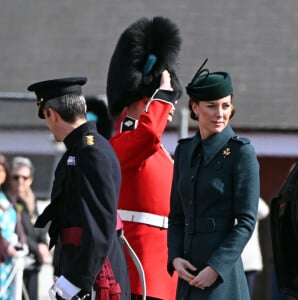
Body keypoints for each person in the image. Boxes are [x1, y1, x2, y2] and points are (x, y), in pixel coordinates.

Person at [27, 77, 130, 300]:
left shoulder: (89, 152)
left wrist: (78, 280)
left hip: (97, 275)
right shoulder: (83, 149)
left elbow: (99, 223)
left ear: (52, 114)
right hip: (89, 270)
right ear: (82, 108)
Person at [167, 59, 260, 300]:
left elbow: (246, 221)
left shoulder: (241, 153)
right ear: (195, 108)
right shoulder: (184, 151)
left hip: (221, 279)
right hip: (187, 275)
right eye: (212, 106)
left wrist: (216, 268)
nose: (220, 114)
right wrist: (175, 257)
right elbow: (177, 215)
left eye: (226, 106)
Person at [107, 16, 182, 300]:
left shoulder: (159, 150)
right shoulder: (125, 143)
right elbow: (148, 133)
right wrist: (162, 94)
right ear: (144, 100)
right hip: (138, 266)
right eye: (166, 100)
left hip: (164, 268)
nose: (172, 108)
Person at [7, 156, 51, 300]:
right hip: (14, 264)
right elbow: (16, 232)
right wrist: (36, 247)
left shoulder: (32, 200)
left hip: (32, 265)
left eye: (24, 177)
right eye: (16, 177)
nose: (20, 181)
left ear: (30, 179)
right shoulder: (7, 201)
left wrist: (43, 244)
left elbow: (40, 227)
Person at [241, 197, 269, 298]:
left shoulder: (249, 199)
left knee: (247, 295)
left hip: (249, 261)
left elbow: (264, 211)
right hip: (230, 262)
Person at [0, 153, 19, 300]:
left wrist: (22, 244)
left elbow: (17, 224)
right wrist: (6, 246)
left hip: (9, 261)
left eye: (1, 170)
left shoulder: (7, 196)